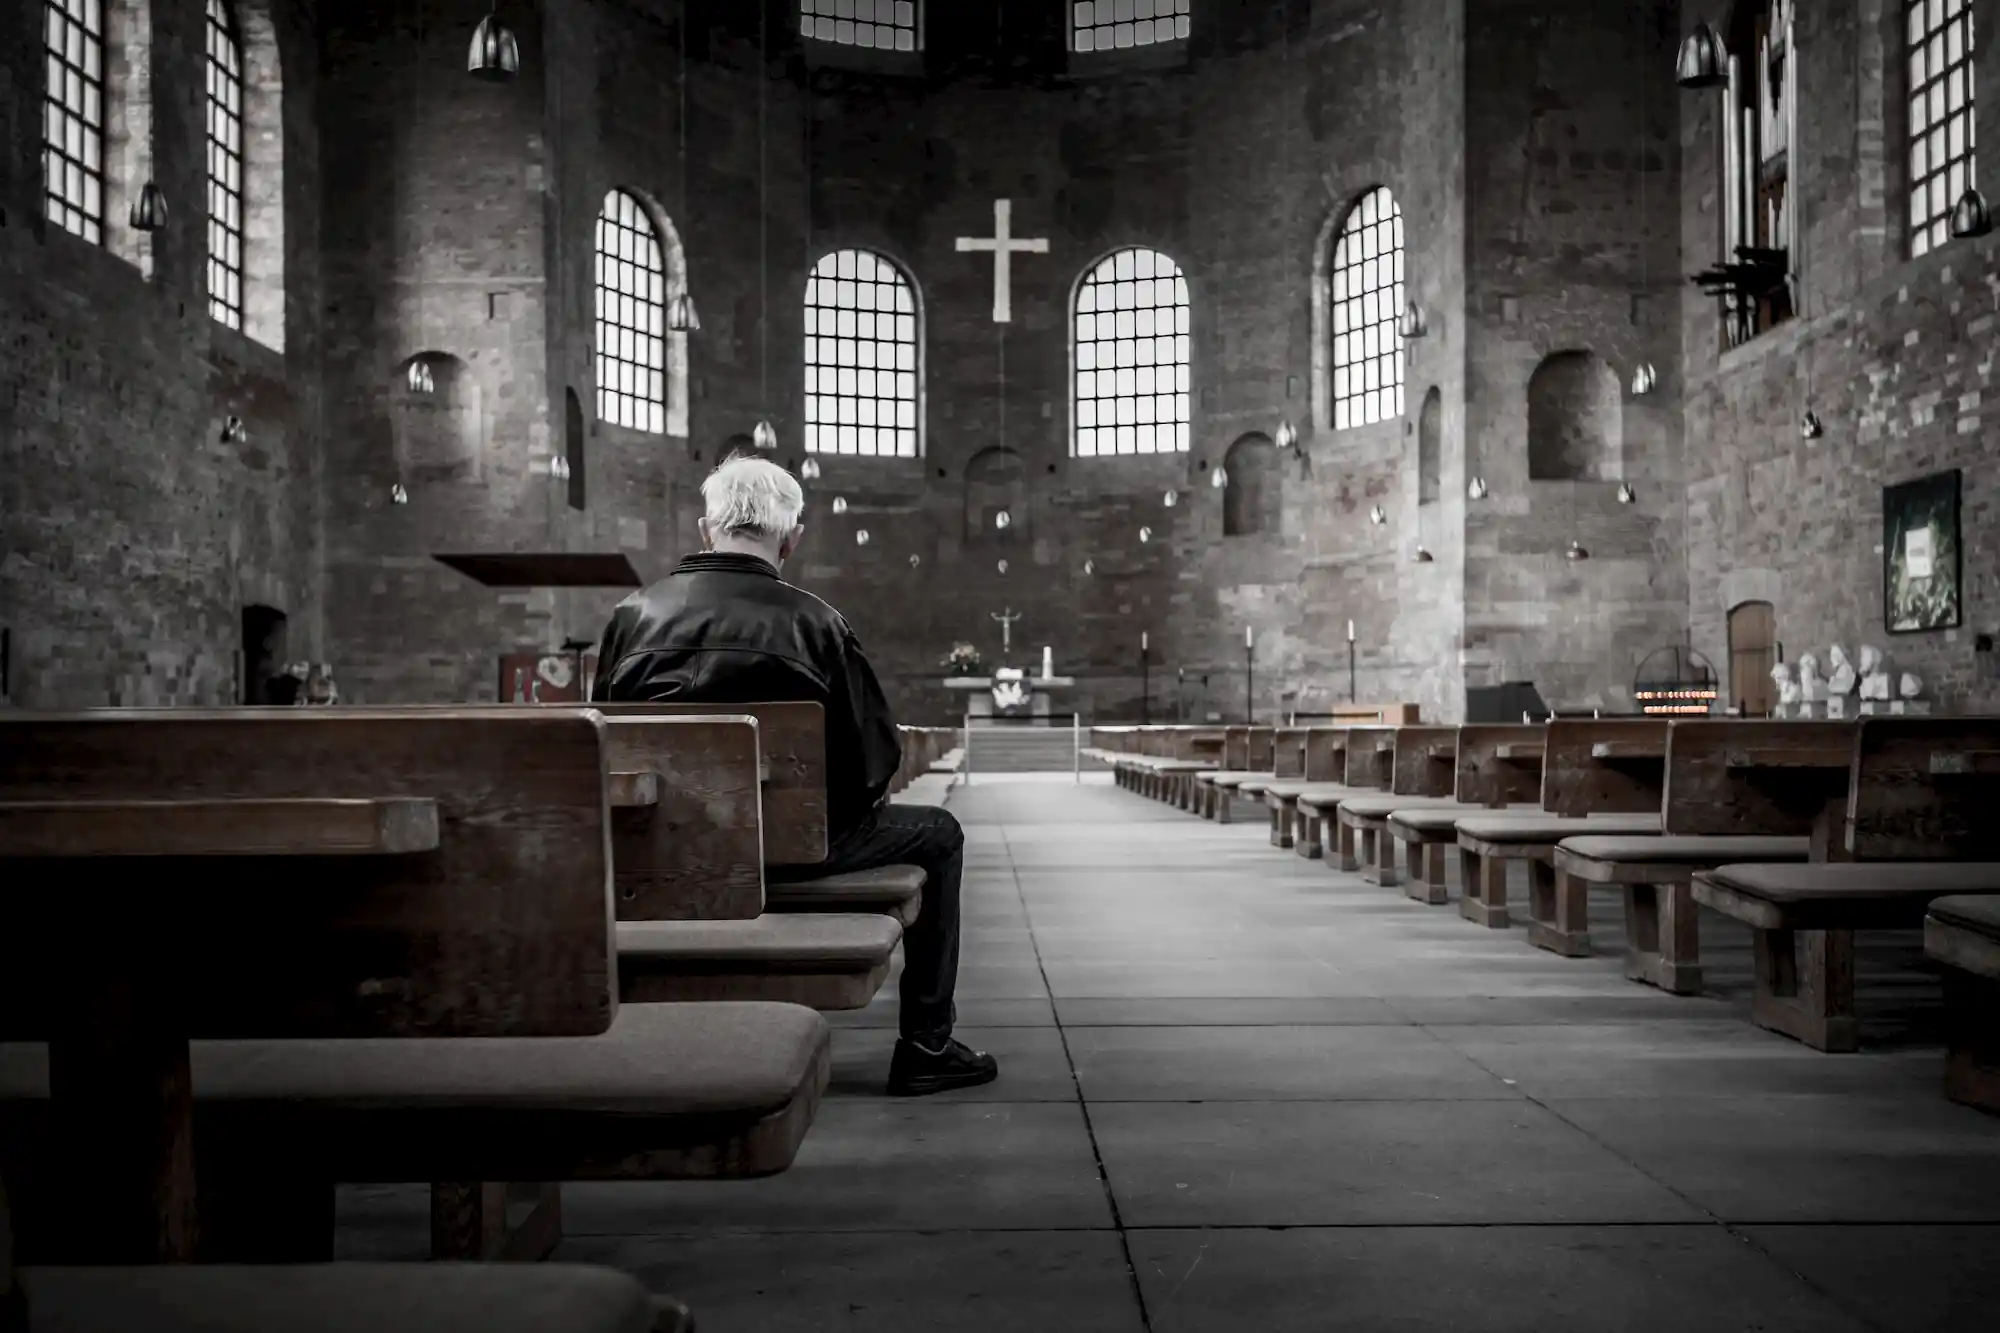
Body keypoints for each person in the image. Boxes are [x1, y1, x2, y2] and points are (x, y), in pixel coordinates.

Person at [591, 455, 999, 1097]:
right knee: (939, 833)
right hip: (800, 853)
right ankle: (927, 1043)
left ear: (705, 530)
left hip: (667, 855)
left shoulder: (630, 618)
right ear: (793, 537)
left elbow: (606, 751)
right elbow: (875, 763)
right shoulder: (817, 622)